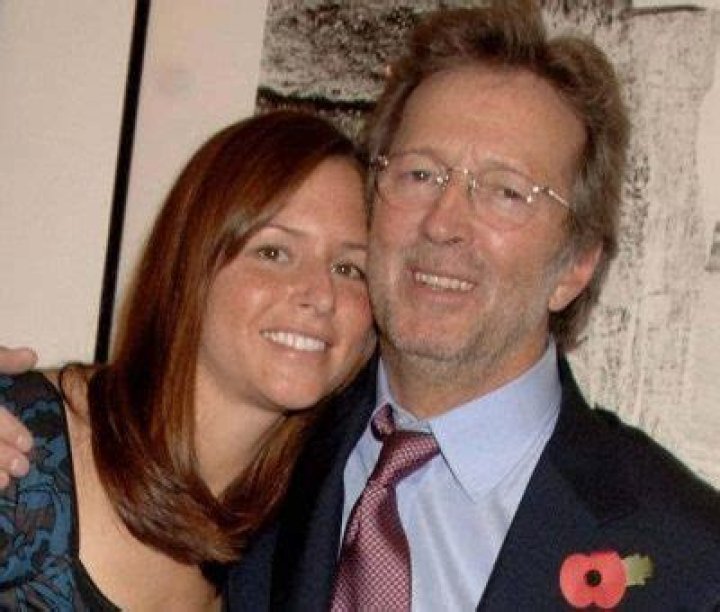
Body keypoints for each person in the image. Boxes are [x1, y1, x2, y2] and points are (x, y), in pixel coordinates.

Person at [3, 2, 720, 610]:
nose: (444, 222)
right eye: (420, 173)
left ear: (577, 265)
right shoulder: (262, 449)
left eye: (507, 191)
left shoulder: (688, 556)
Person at [0, 110, 375, 610]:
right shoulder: (20, 448)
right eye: (274, 253)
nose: (321, 294)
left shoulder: (301, 547)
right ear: (190, 264)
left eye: (349, 268)